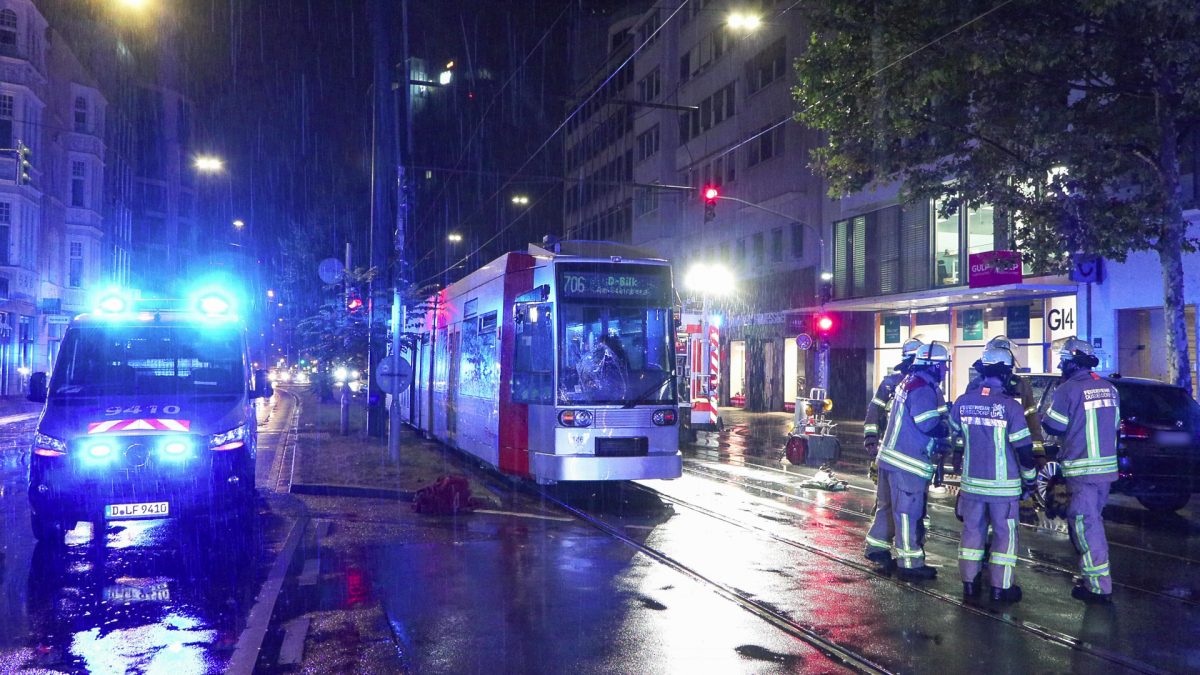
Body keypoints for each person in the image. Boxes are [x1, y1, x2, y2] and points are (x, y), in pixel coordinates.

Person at [949, 347, 1037, 602]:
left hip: (972, 487)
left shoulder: (963, 402)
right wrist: (1030, 480)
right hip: (1004, 488)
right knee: (1004, 536)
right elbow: (1024, 450)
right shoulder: (1010, 407)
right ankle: (1001, 588)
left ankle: (969, 585)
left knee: (972, 534)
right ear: (1007, 373)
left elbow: (955, 434)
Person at [864, 341, 951, 581]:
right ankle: (910, 563)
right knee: (907, 513)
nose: (945, 370)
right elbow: (929, 423)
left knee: (887, 508)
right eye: (943, 366)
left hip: (890, 458)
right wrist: (945, 431)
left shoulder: (907, 383)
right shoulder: (923, 388)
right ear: (933, 366)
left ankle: (877, 548)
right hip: (908, 461)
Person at [1041, 336, 1119, 604]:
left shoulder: (1067, 389)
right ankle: (1093, 578)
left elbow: (1054, 426)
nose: (1061, 366)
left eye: (1063, 361)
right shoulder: (1110, 388)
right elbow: (1115, 425)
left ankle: (1098, 586)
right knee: (1093, 521)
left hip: (1081, 470)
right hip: (1105, 472)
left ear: (1071, 363)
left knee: (1087, 528)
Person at [964, 335, 1045, 464]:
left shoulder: (1020, 385)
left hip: (1011, 454)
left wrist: (1038, 453)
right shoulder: (975, 387)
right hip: (987, 455)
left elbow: (1032, 422)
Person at [865, 337, 925, 464]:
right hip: (891, 445)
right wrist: (871, 440)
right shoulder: (890, 384)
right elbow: (874, 412)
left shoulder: (927, 385)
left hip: (913, 447)